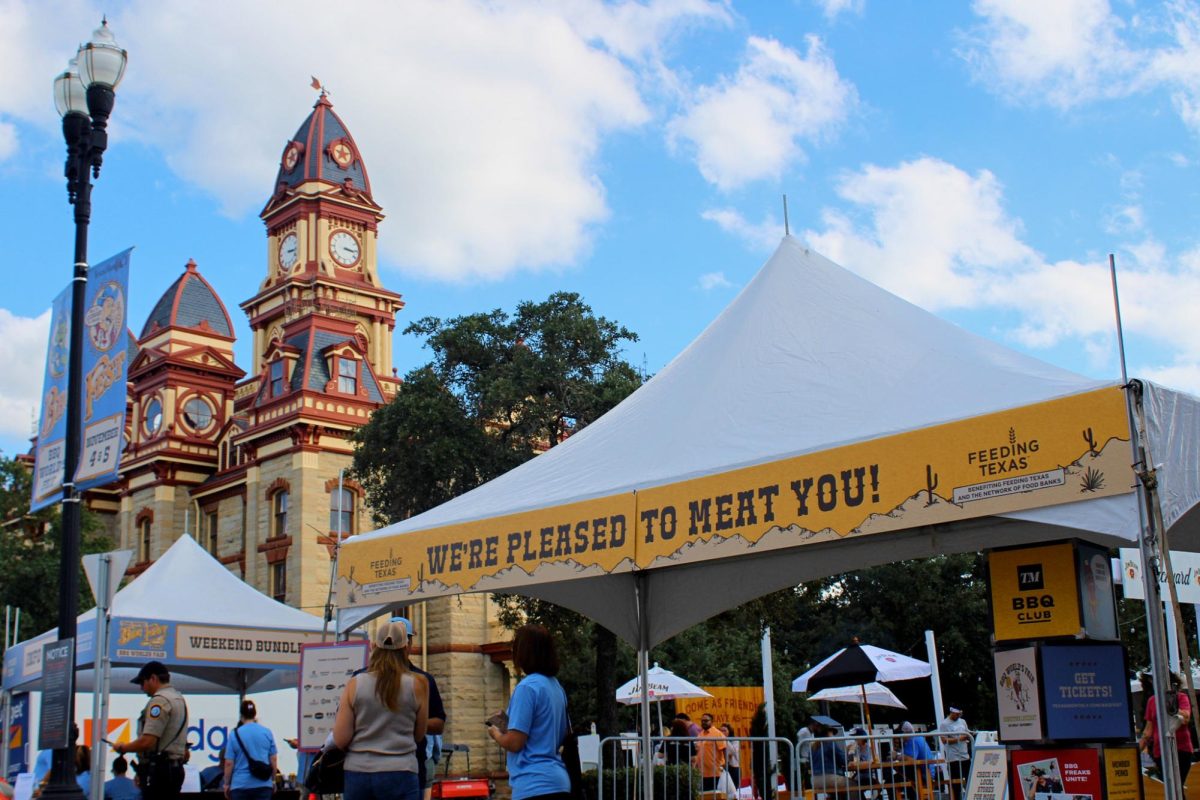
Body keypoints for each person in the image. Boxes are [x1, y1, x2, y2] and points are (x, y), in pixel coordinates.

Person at [333, 620, 429, 800]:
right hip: (402, 770)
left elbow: (340, 739)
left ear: (373, 646)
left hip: (359, 772)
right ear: (406, 647)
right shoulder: (418, 684)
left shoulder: (355, 684)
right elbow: (419, 734)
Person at [486, 624, 570, 800]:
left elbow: (515, 742)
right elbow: (560, 733)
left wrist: (496, 734)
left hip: (533, 784)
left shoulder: (527, 688)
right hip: (559, 781)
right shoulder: (556, 687)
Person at [114, 661, 189, 800]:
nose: (142, 688)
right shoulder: (179, 698)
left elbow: (147, 741)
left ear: (153, 678)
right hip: (174, 768)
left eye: (143, 683)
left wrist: (123, 747)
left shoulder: (159, 701)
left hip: (160, 771)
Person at [391, 615, 447, 800]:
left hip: (405, 765)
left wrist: (411, 722)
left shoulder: (359, 679)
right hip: (403, 766)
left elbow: (439, 723)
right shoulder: (363, 677)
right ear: (410, 643)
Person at [1139, 671, 1194, 785]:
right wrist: (1135, 752)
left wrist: (1172, 707)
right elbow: (1148, 732)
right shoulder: (1152, 701)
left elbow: (1186, 718)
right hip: (1160, 751)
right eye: (1152, 680)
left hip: (1181, 749)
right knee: (1170, 785)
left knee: (1177, 785)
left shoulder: (1181, 697)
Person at [223, 700, 278, 800]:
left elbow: (229, 763)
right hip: (263, 785)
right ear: (255, 714)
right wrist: (273, 780)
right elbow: (273, 759)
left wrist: (226, 784)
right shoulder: (267, 732)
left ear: (241, 715)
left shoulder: (234, 734)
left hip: (240, 786)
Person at [810, 719, 862, 800]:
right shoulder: (830, 742)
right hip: (829, 778)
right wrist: (849, 751)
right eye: (832, 733)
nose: (833, 735)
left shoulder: (813, 746)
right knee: (854, 785)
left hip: (815, 780)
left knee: (837, 790)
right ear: (828, 733)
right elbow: (843, 760)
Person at [938, 707, 971, 799]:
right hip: (953, 758)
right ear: (951, 712)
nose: (958, 716)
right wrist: (959, 739)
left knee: (969, 780)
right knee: (956, 785)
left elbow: (967, 733)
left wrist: (969, 736)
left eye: (960, 714)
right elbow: (944, 740)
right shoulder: (944, 724)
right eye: (957, 714)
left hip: (965, 756)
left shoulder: (963, 721)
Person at [692, 713, 727, 792]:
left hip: (715, 772)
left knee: (715, 795)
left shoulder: (717, 734)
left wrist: (726, 763)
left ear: (712, 721)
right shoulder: (700, 735)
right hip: (702, 773)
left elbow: (724, 749)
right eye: (702, 721)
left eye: (706, 721)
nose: (703, 722)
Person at [719, 723, 741, 792]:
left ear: (729, 731)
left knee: (734, 789)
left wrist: (725, 740)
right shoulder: (718, 740)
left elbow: (733, 752)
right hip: (723, 767)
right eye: (721, 731)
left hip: (733, 767)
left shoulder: (735, 740)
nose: (722, 732)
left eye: (724, 730)